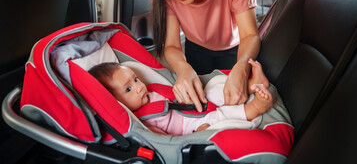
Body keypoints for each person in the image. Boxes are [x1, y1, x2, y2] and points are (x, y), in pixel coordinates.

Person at [88, 59, 273, 135]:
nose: (138, 87)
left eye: (135, 80)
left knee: (215, 86)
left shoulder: (149, 91)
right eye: (128, 89)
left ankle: (252, 85)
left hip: (191, 103)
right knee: (216, 119)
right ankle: (255, 107)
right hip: (190, 126)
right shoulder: (141, 121)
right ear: (117, 103)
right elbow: (161, 140)